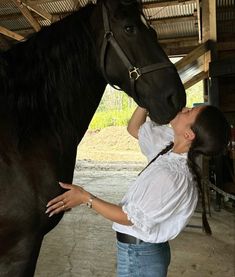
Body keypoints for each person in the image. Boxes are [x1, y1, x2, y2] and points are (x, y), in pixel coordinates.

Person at [46, 105, 230, 277]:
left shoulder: (171, 176)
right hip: (142, 253)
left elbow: (129, 218)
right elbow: (134, 128)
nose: (183, 109)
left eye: (189, 112)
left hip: (139, 257)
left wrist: (85, 198)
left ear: (189, 134)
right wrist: (145, 100)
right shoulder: (170, 150)